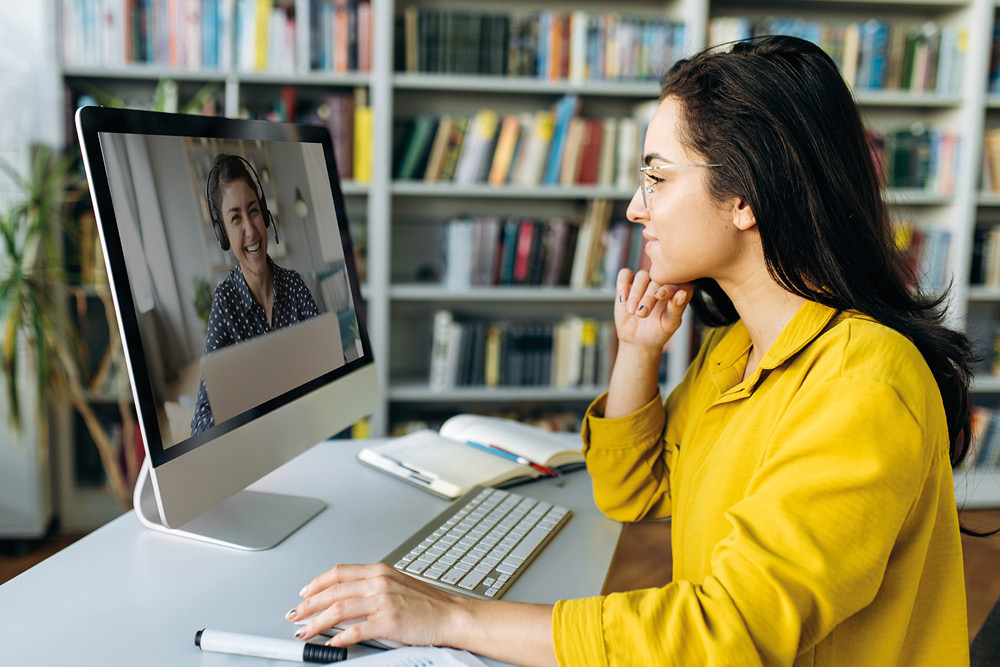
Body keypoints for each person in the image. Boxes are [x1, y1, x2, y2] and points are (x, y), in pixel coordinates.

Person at [284, 36, 974, 665]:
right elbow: (630, 490)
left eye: (659, 177)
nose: (635, 208)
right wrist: (638, 351)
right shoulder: (739, 350)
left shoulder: (864, 382)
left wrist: (453, 613)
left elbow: (723, 633)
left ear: (747, 197)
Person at [191, 153, 320, 435]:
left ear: (265, 214)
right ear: (223, 234)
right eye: (235, 218)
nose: (250, 230)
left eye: (253, 211)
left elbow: (331, 366)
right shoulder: (225, 304)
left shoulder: (294, 285)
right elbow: (200, 422)